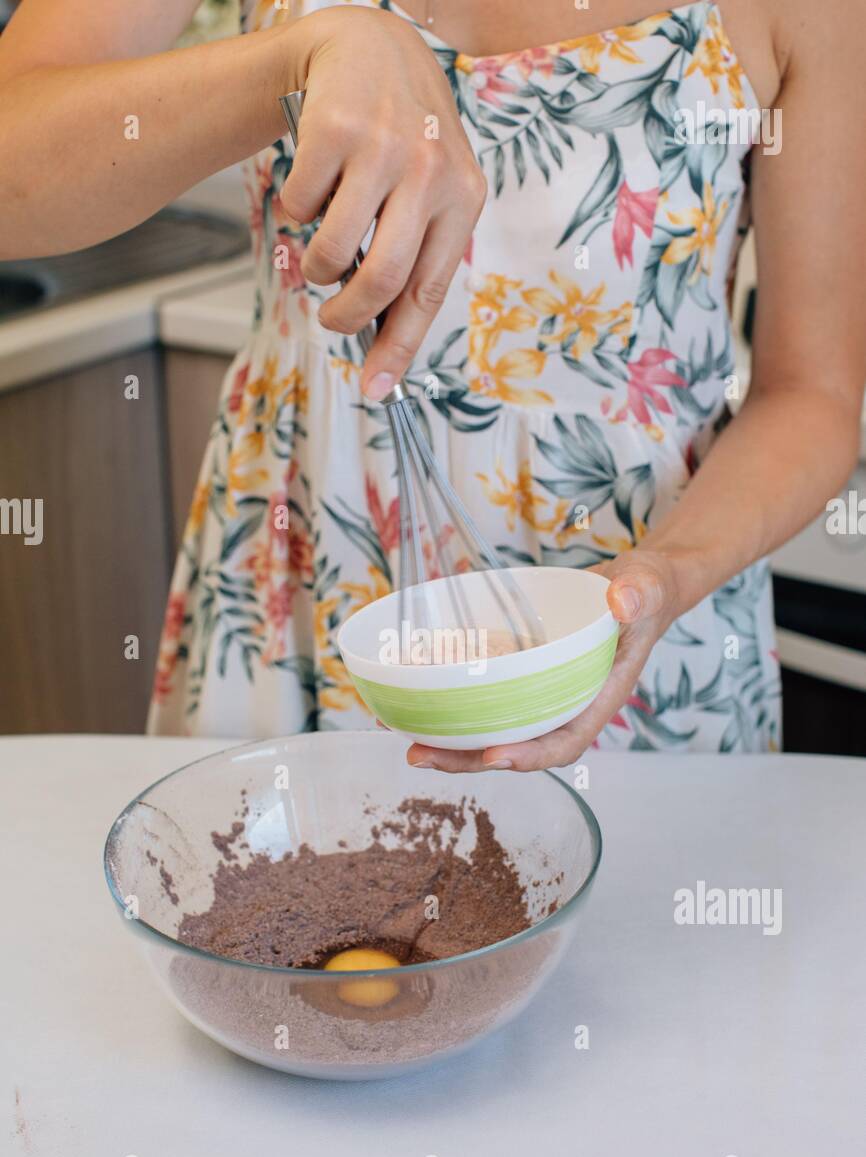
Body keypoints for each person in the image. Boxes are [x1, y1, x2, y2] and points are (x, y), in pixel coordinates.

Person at [2, 0, 863, 772]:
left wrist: (666, 579)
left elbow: (813, 393)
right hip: (300, 586)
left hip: (640, 631)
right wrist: (298, 59)